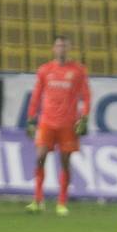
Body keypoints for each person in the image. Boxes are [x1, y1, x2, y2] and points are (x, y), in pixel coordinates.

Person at [25, 35, 91, 216]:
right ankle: (38, 200)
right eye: (58, 46)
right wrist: (31, 118)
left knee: (65, 161)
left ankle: (62, 202)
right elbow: (36, 96)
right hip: (47, 121)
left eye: (64, 46)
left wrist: (84, 118)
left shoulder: (78, 71)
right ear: (53, 49)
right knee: (40, 156)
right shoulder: (45, 70)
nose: (61, 49)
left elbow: (86, 96)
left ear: (68, 48)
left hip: (68, 124)